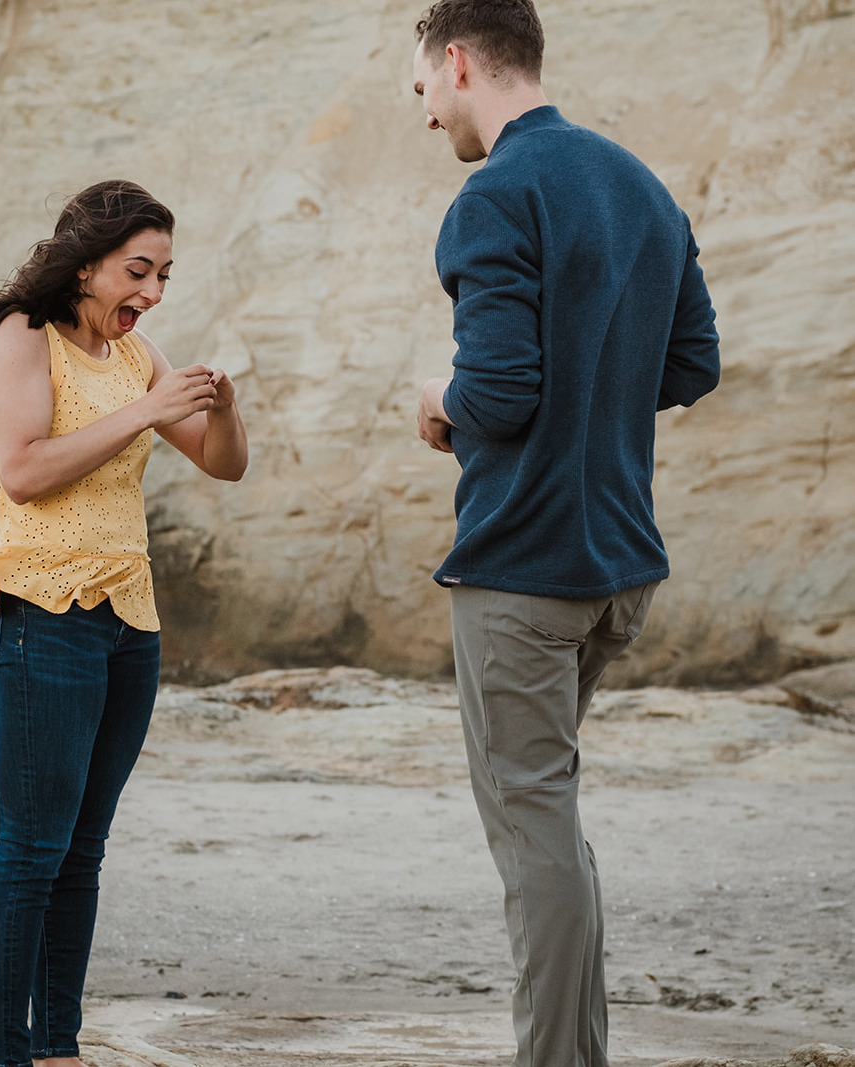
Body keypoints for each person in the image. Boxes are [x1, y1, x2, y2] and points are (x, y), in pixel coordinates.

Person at [411, 3, 720, 1065]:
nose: (426, 114)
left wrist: (439, 401)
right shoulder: (638, 182)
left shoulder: (493, 191)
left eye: (422, 90)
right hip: (616, 566)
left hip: (521, 566)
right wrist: (597, 387)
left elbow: (495, 391)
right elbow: (691, 365)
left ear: (456, 62)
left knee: (532, 832)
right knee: (549, 817)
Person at [0, 178, 248, 1067]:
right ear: (85, 261)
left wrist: (221, 406)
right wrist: (148, 410)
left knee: (82, 849)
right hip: (39, 615)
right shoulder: (20, 336)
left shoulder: (136, 354)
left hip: (128, 620)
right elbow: (21, 470)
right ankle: (3, 1055)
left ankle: (58, 1048)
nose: (154, 293)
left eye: (164, 274)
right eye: (138, 271)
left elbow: (221, 464)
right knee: (32, 849)